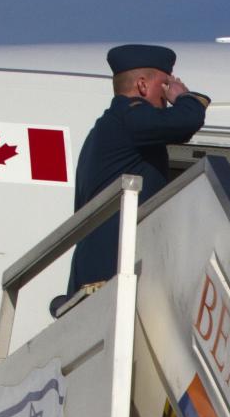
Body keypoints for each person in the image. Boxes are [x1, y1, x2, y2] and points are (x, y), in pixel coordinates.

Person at [67, 44, 210, 297]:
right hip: (112, 267)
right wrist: (185, 98)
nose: (167, 97)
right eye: (165, 86)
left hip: (98, 268)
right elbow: (186, 122)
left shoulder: (108, 127)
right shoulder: (129, 116)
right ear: (143, 85)